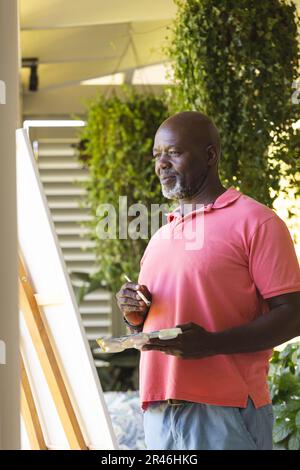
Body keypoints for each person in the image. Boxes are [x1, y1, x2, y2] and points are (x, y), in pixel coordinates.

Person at [116, 111, 300, 450]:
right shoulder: (161, 236)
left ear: (210, 155)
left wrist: (212, 344)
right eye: (157, 155)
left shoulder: (257, 223)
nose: (162, 164)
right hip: (158, 412)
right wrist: (134, 318)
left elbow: (292, 315)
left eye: (173, 152)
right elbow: (150, 331)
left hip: (224, 412)